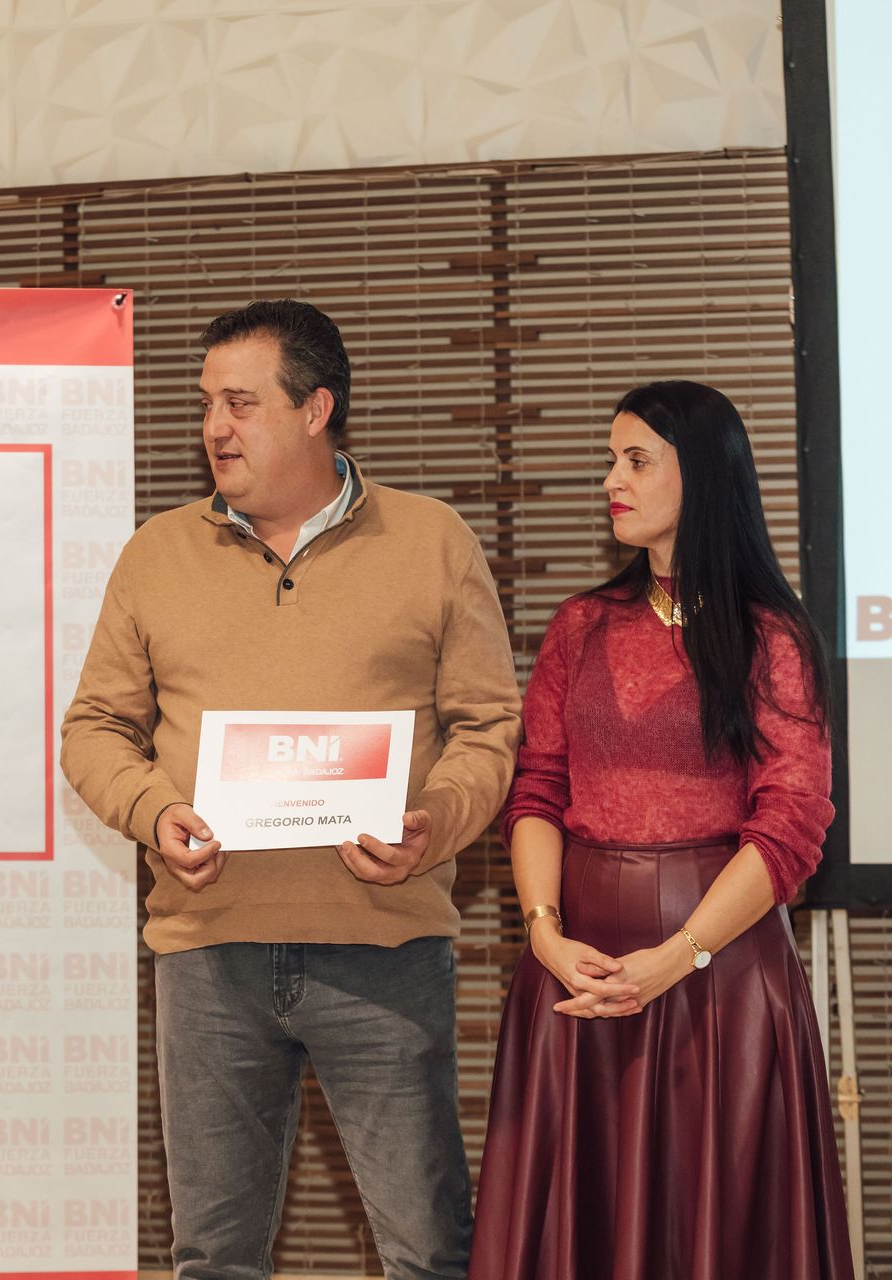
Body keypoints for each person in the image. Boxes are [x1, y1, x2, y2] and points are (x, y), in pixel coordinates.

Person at [61, 299, 522, 1280]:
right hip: (208, 957)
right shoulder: (157, 554)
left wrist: (433, 823)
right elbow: (94, 728)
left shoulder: (432, 541)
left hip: (386, 948)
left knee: (427, 1251)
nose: (214, 428)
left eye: (240, 403)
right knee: (214, 1257)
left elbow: (488, 727)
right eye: (206, 405)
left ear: (316, 410)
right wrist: (154, 811)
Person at [468, 381, 853, 1279]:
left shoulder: (772, 637)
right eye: (612, 459)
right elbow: (536, 792)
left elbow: (792, 824)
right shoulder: (580, 626)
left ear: (704, 476)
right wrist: (544, 935)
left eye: (636, 460)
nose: (613, 479)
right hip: (578, 973)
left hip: (721, 980)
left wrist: (679, 957)